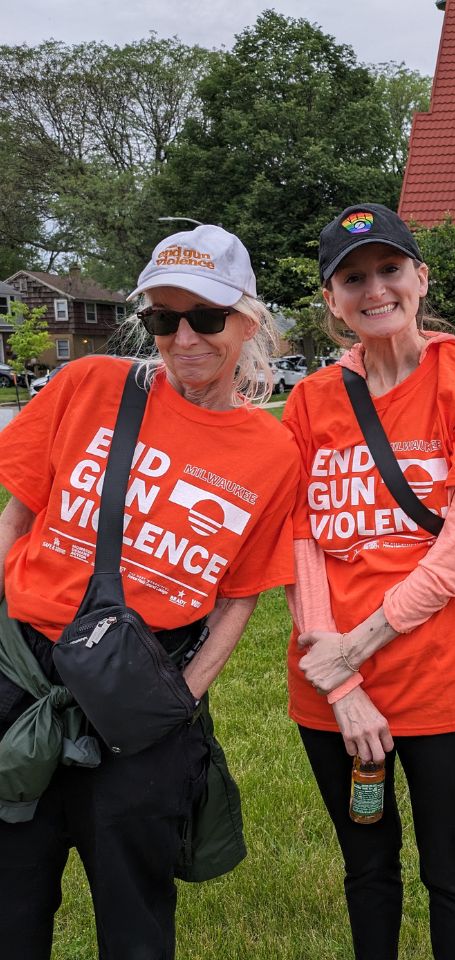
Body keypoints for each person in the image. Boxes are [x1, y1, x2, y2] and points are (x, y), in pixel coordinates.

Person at [0, 224, 299, 959]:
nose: (184, 338)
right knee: (10, 904)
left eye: (206, 317)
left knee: (136, 920)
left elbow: (241, 595)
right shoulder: (88, 386)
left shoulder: (271, 453)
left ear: (248, 320)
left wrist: (185, 696)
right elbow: (17, 515)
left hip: (144, 695)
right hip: (22, 678)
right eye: (164, 319)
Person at [283, 203, 455, 960]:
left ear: (420, 279)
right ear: (331, 300)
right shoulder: (310, 400)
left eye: (389, 270)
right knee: (366, 866)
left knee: (448, 868)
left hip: (443, 680)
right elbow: (297, 539)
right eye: (352, 278)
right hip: (330, 687)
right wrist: (340, 683)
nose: (374, 290)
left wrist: (354, 648)